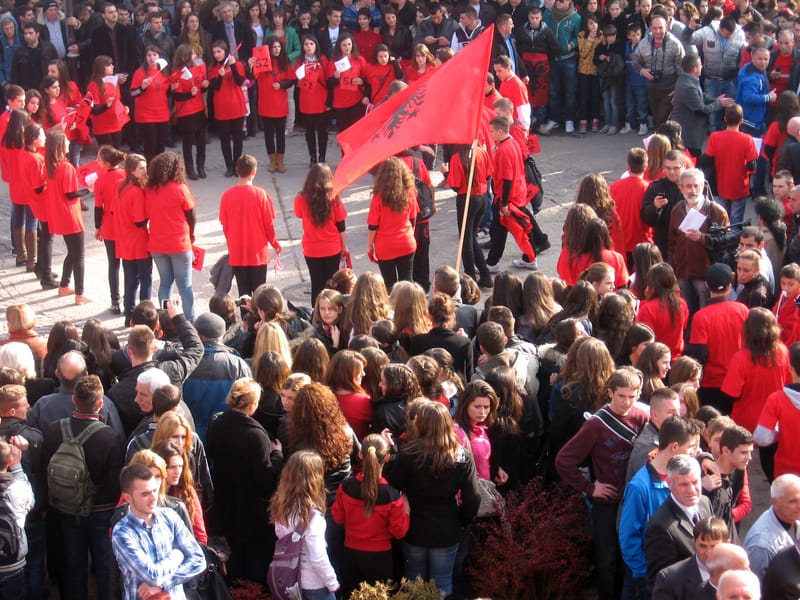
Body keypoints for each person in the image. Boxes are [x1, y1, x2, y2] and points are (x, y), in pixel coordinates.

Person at [556, 367, 649, 600]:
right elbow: (564, 461)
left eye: (632, 396)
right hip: (606, 503)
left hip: (634, 500)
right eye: (621, 396)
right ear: (610, 392)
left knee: (630, 557)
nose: (627, 402)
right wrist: (590, 488)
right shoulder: (596, 424)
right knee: (607, 562)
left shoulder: (642, 416)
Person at [386, 400, 480, 596]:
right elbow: (473, 498)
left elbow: (393, 485)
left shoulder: (408, 454)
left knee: (413, 582)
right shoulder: (461, 456)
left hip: (413, 526)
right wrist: (461, 520)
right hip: (446, 527)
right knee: (442, 585)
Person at [42, 375, 124, 600]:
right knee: (105, 565)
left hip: (66, 509)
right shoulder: (110, 437)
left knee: (74, 564)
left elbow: (45, 469)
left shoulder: (53, 430)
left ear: (73, 400)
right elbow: (115, 483)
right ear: (100, 404)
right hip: (101, 511)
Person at [206, 378, 283, 583]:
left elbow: (212, 453)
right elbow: (264, 477)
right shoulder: (255, 435)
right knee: (254, 558)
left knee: (233, 555)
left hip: (225, 499)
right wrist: (277, 455)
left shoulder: (218, 423)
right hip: (250, 507)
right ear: (252, 405)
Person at [619, 415, 703, 598]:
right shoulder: (640, 487)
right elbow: (628, 538)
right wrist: (646, 573)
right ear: (674, 447)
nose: (694, 453)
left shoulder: (688, 477)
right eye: (690, 448)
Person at [112, 462, 206, 600]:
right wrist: (178, 554)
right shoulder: (122, 533)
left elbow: (198, 559)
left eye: (155, 490)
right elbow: (152, 576)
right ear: (128, 498)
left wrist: (164, 585)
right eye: (145, 494)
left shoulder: (170, 516)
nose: (153, 498)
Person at [331, 433, 410, 597]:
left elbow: (338, 518)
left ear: (360, 455)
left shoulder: (346, 487)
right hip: (380, 558)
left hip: (351, 554)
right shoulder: (392, 495)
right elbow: (399, 531)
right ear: (387, 458)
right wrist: (407, 513)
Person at [271, 450, 339, 599]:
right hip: (315, 585)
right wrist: (332, 582)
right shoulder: (313, 518)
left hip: (291, 582)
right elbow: (318, 557)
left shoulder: (280, 507)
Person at [644, 454, 713, 591]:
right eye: (684, 484)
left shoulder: (705, 502)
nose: (692, 490)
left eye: (695, 482)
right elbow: (659, 584)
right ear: (669, 484)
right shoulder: (660, 527)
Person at [686, 263, 749, 414]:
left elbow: (699, 354)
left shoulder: (701, 317)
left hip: (711, 384)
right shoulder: (743, 310)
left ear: (707, 285)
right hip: (739, 382)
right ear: (729, 286)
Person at [668, 168, 730, 315]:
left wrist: (702, 238)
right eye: (688, 186)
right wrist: (672, 270)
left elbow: (726, 242)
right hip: (682, 273)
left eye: (697, 186)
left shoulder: (716, 212)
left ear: (703, 187)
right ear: (681, 187)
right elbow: (671, 243)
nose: (693, 190)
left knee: (705, 313)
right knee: (686, 312)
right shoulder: (677, 210)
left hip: (704, 274)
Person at [219, 154, 281, 298]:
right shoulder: (261, 195)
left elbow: (225, 226)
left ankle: (246, 320)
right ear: (254, 172)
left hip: (237, 252)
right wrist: (275, 243)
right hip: (258, 252)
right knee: (260, 295)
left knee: (243, 293)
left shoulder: (227, 196)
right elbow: (268, 224)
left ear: (237, 170)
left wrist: (231, 246)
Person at [145, 152, 197, 322]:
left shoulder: (149, 190)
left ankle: (165, 320)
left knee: (165, 283)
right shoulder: (180, 188)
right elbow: (191, 215)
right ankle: (190, 321)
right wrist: (191, 233)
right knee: (185, 285)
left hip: (157, 243)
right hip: (179, 243)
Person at [486, 115, 538, 271]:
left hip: (508, 197)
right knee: (518, 229)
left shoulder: (504, 150)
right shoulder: (511, 143)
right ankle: (527, 258)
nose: (491, 134)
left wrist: (504, 203)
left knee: (509, 230)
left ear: (500, 131)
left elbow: (507, 178)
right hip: (517, 194)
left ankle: (494, 262)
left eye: (493, 131)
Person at [44, 129, 91, 305]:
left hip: (59, 214)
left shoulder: (51, 167)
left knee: (72, 252)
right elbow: (71, 194)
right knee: (79, 255)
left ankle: (64, 284)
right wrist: (89, 190)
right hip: (70, 215)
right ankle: (80, 293)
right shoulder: (67, 167)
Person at [294, 163, 348, 306]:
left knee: (316, 285)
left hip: (311, 249)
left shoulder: (301, 199)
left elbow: (298, 214)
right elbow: (341, 224)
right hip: (332, 248)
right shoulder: (334, 198)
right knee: (331, 285)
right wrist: (345, 246)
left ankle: (316, 317)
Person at [366, 157, 418, 290]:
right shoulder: (410, 193)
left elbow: (373, 226)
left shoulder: (378, 197)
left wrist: (370, 246)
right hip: (406, 242)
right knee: (407, 284)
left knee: (389, 285)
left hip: (385, 246)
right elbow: (413, 219)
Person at [703, 104, 759, 224]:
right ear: (741, 120)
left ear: (725, 119)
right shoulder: (747, 139)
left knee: (723, 218)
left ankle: (724, 240)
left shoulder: (714, 137)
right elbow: (752, 165)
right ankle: (734, 241)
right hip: (740, 186)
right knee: (736, 220)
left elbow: (707, 159)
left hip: (722, 184)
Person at [650, 517, 730, 600]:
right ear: (694, 543)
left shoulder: (737, 572)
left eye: (714, 546)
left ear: (727, 544)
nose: (708, 552)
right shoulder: (670, 579)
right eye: (703, 546)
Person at [115, 154, 152, 324]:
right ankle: (145, 317)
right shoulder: (137, 192)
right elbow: (139, 221)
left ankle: (129, 315)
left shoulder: (122, 187)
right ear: (132, 170)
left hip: (124, 241)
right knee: (145, 279)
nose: (145, 171)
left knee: (130, 280)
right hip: (138, 242)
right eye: (141, 168)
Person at [671, 54, 732, 157]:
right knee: (692, 159)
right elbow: (701, 110)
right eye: (700, 64)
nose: (702, 66)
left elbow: (700, 95)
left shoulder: (688, 79)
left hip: (690, 131)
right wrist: (719, 103)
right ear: (694, 69)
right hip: (688, 133)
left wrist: (714, 100)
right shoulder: (688, 86)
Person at [250, 36, 295, 173]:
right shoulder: (262, 61)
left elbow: (292, 80)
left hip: (280, 103)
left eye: (279, 47)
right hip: (266, 104)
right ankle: (272, 160)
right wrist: (251, 66)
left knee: (280, 134)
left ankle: (280, 160)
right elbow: (252, 78)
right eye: (274, 47)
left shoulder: (285, 61)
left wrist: (281, 85)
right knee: (268, 134)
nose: (277, 49)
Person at [631, 15, 685, 128]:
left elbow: (682, 69)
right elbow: (635, 61)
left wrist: (678, 89)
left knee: (662, 119)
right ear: (650, 28)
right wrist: (642, 71)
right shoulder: (644, 43)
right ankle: (662, 141)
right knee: (657, 118)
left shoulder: (675, 43)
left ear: (666, 26)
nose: (658, 31)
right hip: (651, 86)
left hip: (669, 87)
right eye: (655, 28)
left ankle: (662, 142)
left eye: (660, 27)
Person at [743, 474, 800, 579]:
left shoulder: (791, 518)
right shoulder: (761, 546)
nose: (799, 505)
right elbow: (758, 589)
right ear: (775, 502)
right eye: (793, 501)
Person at [93, 145, 127, 315]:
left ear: (106, 163)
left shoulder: (100, 180)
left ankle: (115, 301)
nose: (96, 161)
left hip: (110, 225)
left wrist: (97, 227)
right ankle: (129, 299)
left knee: (113, 264)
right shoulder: (126, 175)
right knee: (128, 265)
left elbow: (98, 207)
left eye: (99, 159)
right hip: (126, 225)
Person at [540, 0, 581, 135]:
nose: (558, 2)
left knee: (570, 91)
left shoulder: (576, 18)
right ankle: (554, 118)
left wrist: (571, 45)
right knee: (553, 91)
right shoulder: (547, 14)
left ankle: (570, 119)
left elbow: (578, 37)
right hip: (552, 59)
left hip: (568, 59)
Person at [209, 39, 247, 178]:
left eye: (219, 51)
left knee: (238, 138)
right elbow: (216, 87)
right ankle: (228, 166)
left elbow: (240, 81)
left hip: (237, 106)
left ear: (225, 51)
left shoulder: (236, 65)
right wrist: (219, 76)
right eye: (214, 52)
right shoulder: (213, 68)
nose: (217, 55)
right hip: (222, 108)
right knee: (224, 139)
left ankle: (237, 165)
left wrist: (232, 67)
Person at [171, 44, 208, 180]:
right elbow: (177, 96)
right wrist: (189, 94)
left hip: (199, 108)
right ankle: (190, 168)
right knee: (188, 142)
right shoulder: (176, 74)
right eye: (192, 54)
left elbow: (201, 89)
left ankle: (201, 166)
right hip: (186, 112)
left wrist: (204, 86)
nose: (195, 56)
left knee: (201, 141)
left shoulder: (198, 69)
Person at [636, 263, 690, 358]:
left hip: (653, 361)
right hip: (675, 360)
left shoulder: (647, 308)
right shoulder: (682, 304)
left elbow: (643, 339)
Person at [131, 47, 170, 161]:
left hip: (162, 114)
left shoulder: (164, 72)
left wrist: (173, 88)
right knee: (150, 147)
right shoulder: (140, 72)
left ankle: (160, 173)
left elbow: (166, 92)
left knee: (161, 147)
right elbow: (133, 93)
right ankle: (150, 174)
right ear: (145, 57)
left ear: (159, 56)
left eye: (154, 55)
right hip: (146, 115)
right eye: (149, 55)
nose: (152, 58)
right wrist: (142, 87)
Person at [295, 35, 329, 165]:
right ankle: (313, 157)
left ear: (316, 45)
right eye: (306, 44)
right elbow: (296, 81)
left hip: (321, 99)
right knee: (309, 132)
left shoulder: (324, 60)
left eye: (311, 44)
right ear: (303, 47)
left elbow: (327, 79)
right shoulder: (300, 62)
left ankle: (322, 157)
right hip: (307, 100)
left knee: (322, 131)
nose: (309, 47)